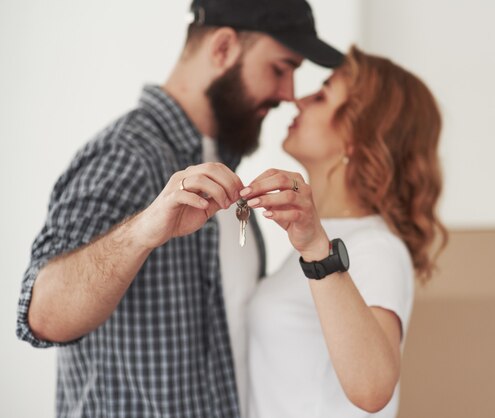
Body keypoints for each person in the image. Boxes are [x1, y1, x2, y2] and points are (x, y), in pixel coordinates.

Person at [15, 0, 342, 416]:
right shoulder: (126, 156)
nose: (289, 94)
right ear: (223, 48)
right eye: (281, 68)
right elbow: (41, 316)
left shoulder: (226, 169)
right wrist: (142, 230)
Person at [241, 46, 447, 417]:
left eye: (321, 96)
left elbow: (372, 390)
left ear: (359, 134)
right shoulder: (330, 236)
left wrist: (317, 249)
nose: (299, 100)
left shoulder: (374, 248)